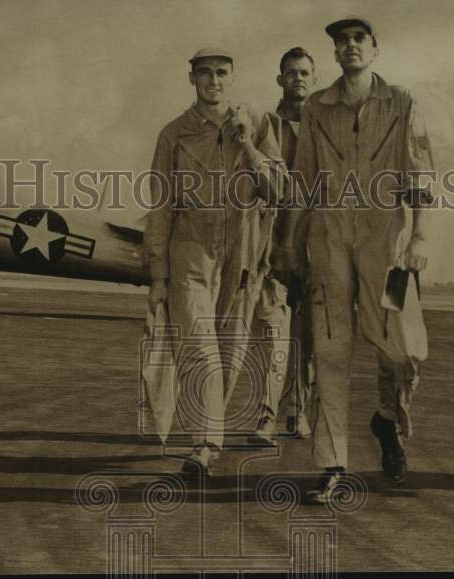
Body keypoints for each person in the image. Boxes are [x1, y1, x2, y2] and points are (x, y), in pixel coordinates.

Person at [279, 16, 436, 502]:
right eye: (341, 41)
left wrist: (419, 238)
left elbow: (421, 177)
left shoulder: (402, 103)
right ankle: (332, 466)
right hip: (328, 243)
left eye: (358, 39)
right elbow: (303, 183)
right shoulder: (316, 110)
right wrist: (289, 244)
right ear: (334, 53)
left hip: (385, 247)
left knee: (402, 347)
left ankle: (387, 418)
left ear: (374, 48)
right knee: (330, 350)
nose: (350, 46)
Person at [144, 47, 286, 476]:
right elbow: (160, 206)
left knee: (230, 349)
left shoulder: (259, 124)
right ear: (192, 79)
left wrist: (246, 144)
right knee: (199, 345)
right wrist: (157, 274)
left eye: (221, 72)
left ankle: (209, 436)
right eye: (204, 73)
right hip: (192, 246)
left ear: (233, 77)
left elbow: (278, 190)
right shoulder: (173, 135)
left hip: (241, 248)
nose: (213, 81)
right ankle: (204, 445)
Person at [249, 46, 319, 445]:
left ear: (314, 77)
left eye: (305, 72)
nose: (298, 77)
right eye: (291, 72)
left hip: (315, 246)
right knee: (274, 332)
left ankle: (298, 412)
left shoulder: (324, 129)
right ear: (280, 79)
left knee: (307, 336)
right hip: (272, 246)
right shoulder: (265, 126)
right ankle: (266, 414)